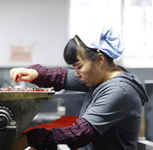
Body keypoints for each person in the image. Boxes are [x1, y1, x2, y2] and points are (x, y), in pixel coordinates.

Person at [9, 25, 148, 150]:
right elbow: (63, 77)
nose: (76, 73)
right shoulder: (100, 78)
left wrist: (30, 139)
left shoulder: (119, 91)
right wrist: (36, 74)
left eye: (79, 67)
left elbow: (79, 133)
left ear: (100, 60)